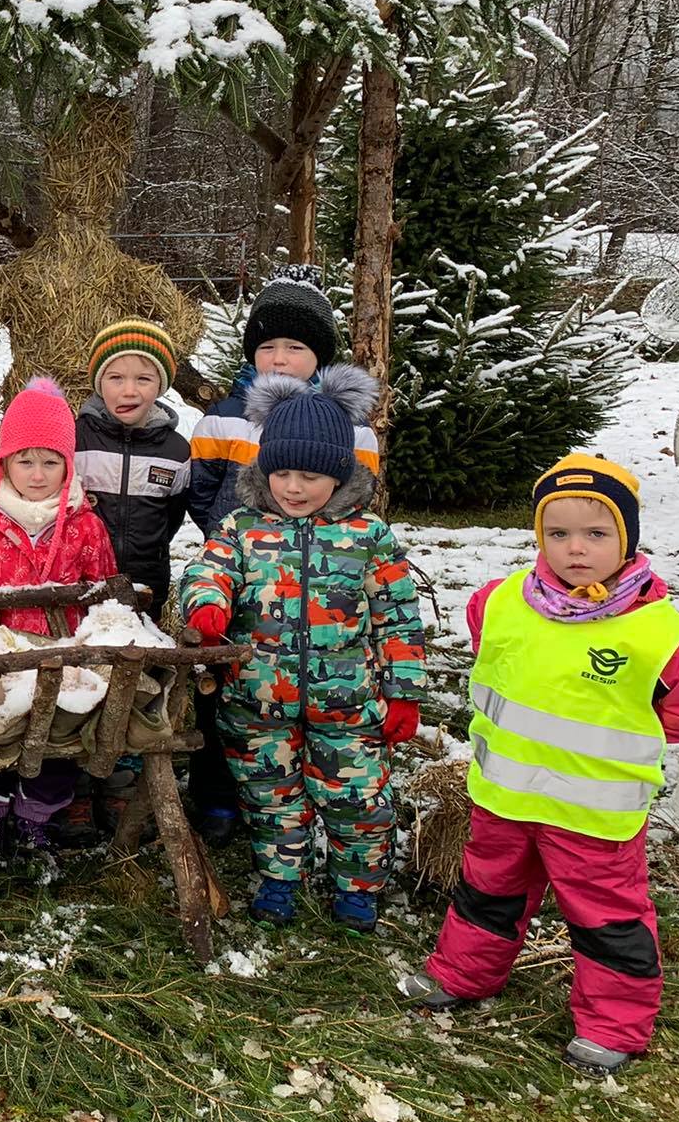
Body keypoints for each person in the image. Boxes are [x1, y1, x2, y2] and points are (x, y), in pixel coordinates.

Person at [398, 455, 679, 1074]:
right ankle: (462, 974)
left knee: (606, 918)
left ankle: (612, 1026)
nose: (576, 549)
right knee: (486, 892)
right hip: (505, 799)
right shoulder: (500, 602)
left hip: (593, 816)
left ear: (627, 538)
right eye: (559, 533)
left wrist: (621, 732)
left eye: (597, 533)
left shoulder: (656, 635)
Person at [181, 367, 424, 932]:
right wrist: (207, 607)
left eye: (310, 476)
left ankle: (357, 887)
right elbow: (208, 570)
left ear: (339, 475)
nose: (293, 487)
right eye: (281, 472)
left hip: (349, 704)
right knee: (270, 795)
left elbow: (398, 617)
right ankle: (280, 878)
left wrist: (404, 693)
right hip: (257, 701)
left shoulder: (368, 535)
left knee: (357, 798)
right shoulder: (242, 527)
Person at [182, 265, 381, 845]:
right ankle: (219, 796)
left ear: (319, 356)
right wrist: (232, 539)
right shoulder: (225, 415)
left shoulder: (351, 428)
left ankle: (310, 797)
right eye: (267, 346)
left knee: (310, 695)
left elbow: (357, 498)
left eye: (295, 348)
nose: (279, 359)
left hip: (320, 590)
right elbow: (201, 487)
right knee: (225, 688)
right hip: (239, 579)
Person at [0, 376, 119, 868]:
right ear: (4, 463)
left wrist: (95, 653)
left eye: (50, 462)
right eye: (25, 461)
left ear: (68, 465)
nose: (37, 475)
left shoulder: (85, 525)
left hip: (63, 660)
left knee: (57, 740)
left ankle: (37, 821)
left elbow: (104, 598)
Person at [68, 319, 193, 842]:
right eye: (116, 377)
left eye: (144, 378)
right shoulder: (76, 438)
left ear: (161, 386)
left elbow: (174, 516)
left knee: (136, 680)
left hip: (144, 583)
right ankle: (74, 785)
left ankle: (120, 778)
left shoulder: (176, 450)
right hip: (80, 586)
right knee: (79, 678)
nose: (129, 390)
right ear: (99, 382)